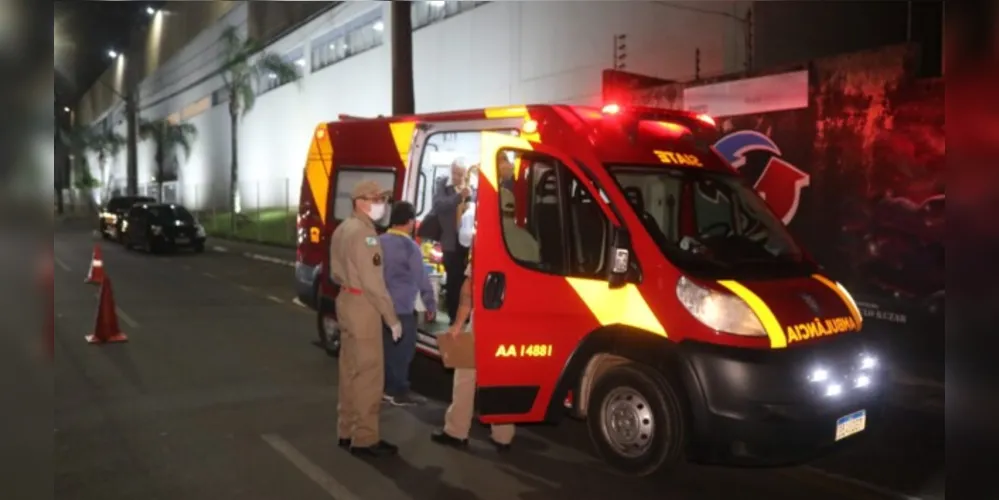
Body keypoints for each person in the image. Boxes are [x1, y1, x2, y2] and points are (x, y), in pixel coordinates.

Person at [329, 180, 403, 458]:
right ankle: (366, 438)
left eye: (383, 199)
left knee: (349, 371)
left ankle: (346, 430)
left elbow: (336, 271)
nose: (381, 205)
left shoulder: (343, 228)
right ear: (360, 201)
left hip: (346, 299)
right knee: (369, 374)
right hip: (363, 305)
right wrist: (391, 318)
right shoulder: (365, 235)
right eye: (376, 199)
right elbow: (374, 284)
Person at [430, 255, 515, 452]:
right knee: (502, 375)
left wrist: (458, 323)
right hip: (513, 320)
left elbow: (470, 287)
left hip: (485, 318)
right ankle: (503, 434)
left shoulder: (486, 240)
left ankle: (456, 431)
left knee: (466, 373)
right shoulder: (529, 243)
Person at [378, 201, 437, 406]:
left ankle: (385, 387)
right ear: (410, 222)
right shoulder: (410, 247)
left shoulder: (378, 241)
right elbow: (421, 278)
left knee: (385, 349)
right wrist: (430, 304)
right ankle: (399, 390)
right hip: (402, 307)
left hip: (381, 307)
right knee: (403, 351)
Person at [431, 160, 476, 325]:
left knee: (466, 279)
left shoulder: (470, 187)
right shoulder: (443, 184)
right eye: (455, 173)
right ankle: (453, 316)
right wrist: (459, 197)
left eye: (461, 174)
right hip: (450, 240)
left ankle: (464, 317)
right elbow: (438, 205)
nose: (457, 177)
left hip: (466, 241)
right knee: (453, 279)